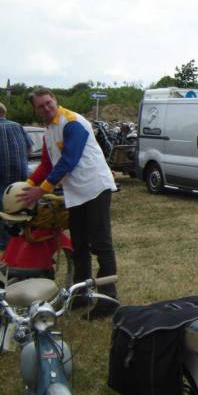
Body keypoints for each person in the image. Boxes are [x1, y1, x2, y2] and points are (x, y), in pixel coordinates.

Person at [17, 87, 119, 320]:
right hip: (76, 193)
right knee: (80, 245)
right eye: (40, 106)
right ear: (35, 109)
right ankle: (81, 294)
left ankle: (109, 298)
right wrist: (27, 185)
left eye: (48, 103)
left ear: (55, 100)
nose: (45, 108)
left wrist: (40, 191)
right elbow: (46, 165)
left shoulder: (72, 122)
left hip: (95, 188)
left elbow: (68, 161)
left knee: (101, 243)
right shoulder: (49, 131)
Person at [0, 102, 32, 250]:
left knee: (2, 210)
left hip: (1, 176)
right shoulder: (18, 126)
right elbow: (30, 149)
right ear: (4, 113)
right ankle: (20, 238)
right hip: (21, 175)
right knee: (18, 208)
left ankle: (5, 243)